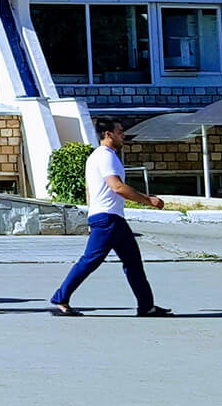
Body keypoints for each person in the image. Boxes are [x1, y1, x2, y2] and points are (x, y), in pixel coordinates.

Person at [51, 116, 171, 317]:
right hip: (108, 219)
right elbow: (117, 187)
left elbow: (90, 191)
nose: (123, 136)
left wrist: (91, 217)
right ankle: (60, 298)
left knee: (133, 262)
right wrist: (148, 200)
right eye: (120, 132)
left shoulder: (95, 156)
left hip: (109, 217)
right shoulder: (106, 156)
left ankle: (146, 306)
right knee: (90, 260)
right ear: (108, 134)